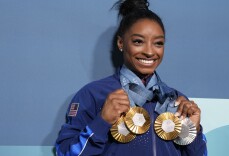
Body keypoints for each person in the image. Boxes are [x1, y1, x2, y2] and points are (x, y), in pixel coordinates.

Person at [55, 0, 207, 155]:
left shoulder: (176, 100)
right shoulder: (93, 94)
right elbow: (65, 152)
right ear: (121, 43)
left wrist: (193, 131)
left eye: (158, 43)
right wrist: (102, 122)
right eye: (138, 41)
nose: (149, 52)